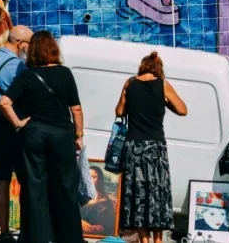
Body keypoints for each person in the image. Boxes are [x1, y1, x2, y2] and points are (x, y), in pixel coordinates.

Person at [0, 30, 84, 243]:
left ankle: (35, 237)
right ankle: (69, 237)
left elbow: (4, 102)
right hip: (62, 134)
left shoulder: (27, 75)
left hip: (34, 133)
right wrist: (79, 135)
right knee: (65, 187)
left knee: (34, 187)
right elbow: (76, 109)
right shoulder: (65, 73)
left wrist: (18, 123)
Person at [115, 51, 187, 243]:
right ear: (159, 69)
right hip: (155, 148)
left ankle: (144, 241)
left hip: (134, 148)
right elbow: (182, 110)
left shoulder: (130, 83)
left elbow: (120, 111)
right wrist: (164, 101)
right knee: (157, 193)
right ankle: (157, 240)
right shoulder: (163, 85)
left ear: (142, 67)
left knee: (138, 193)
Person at [0, 25, 33, 243]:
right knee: (25, 180)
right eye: (29, 44)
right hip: (15, 125)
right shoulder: (18, 67)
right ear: (21, 43)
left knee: (1, 180)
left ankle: (4, 232)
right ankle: (25, 230)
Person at [80, 166, 116, 236]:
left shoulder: (106, 202)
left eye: (94, 177)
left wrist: (93, 229)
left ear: (99, 179)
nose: (90, 179)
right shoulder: (78, 197)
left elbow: (108, 226)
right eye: (88, 176)